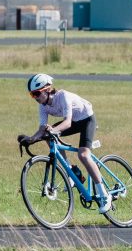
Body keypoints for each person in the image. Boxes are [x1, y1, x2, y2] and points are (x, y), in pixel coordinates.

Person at [17, 73, 112, 214]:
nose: (35, 98)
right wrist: (30, 140)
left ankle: (104, 194)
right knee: (50, 138)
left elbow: (67, 123)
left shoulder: (63, 96)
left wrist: (52, 130)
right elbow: (42, 129)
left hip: (87, 120)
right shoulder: (43, 106)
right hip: (74, 121)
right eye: (32, 95)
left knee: (84, 155)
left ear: (48, 89)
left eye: (37, 93)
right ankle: (71, 172)